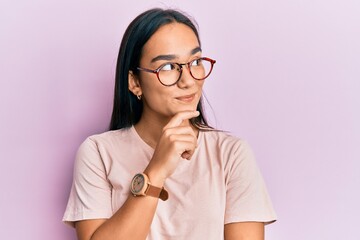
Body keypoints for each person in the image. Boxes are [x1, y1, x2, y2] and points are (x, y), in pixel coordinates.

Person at [63, 8, 276, 240]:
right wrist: (156, 171)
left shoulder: (231, 154)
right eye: (167, 67)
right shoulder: (98, 153)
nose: (187, 80)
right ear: (135, 82)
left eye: (195, 62)